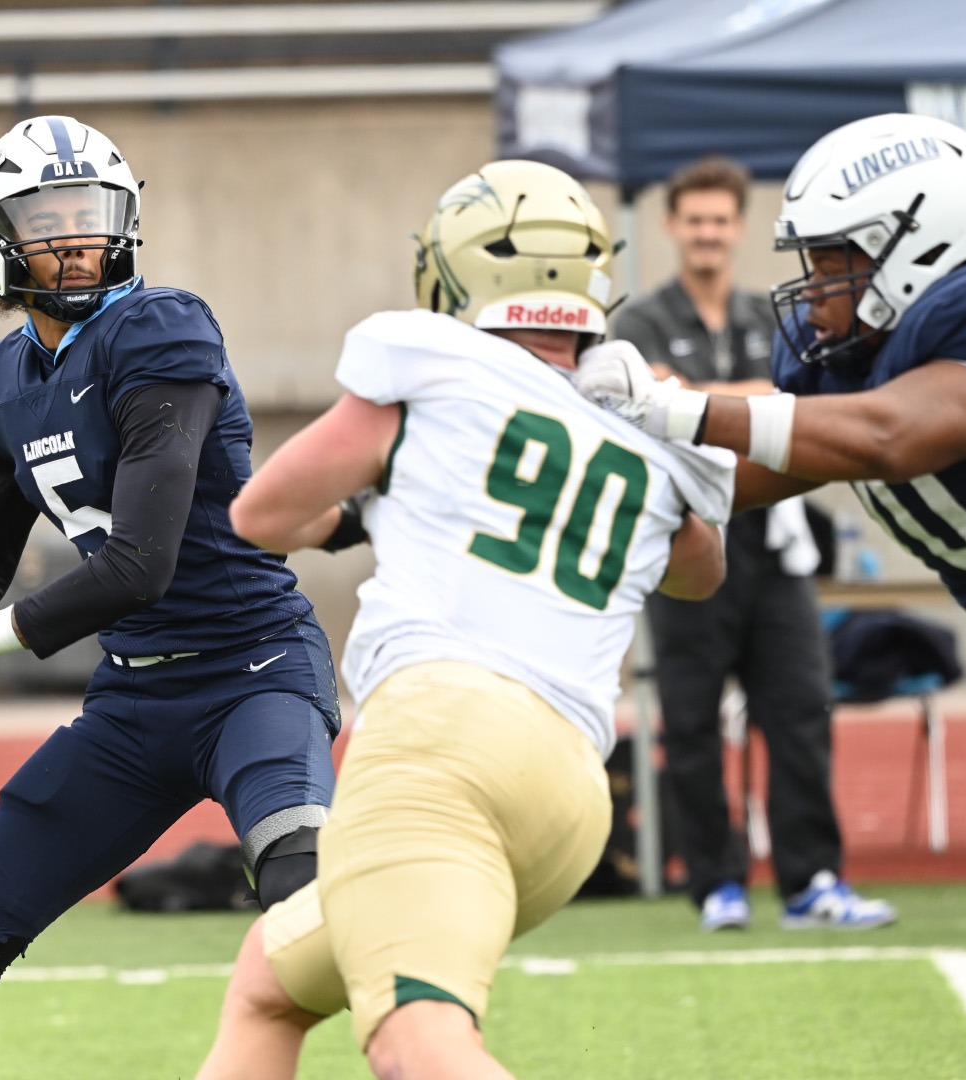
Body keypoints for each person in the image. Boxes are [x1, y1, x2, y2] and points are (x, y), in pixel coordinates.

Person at [0, 116, 345, 1080]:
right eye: (45, 219)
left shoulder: (160, 329)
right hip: (135, 704)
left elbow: (140, 563)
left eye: (89, 215)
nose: (72, 238)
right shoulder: (4, 379)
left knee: (303, 906)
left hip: (251, 671)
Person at [574, 112, 966, 1080]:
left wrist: (672, 402)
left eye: (836, 263)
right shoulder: (856, 358)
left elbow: (889, 436)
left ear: (922, 245)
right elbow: (756, 465)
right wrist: (607, 447)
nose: (815, 294)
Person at [195, 159, 733, 1080]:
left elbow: (263, 515)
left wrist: (373, 498)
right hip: (568, 794)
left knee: (418, 1042)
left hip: (441, 745)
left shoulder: (435, 367)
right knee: (270, 983)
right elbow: (696, 573)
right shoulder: (640, 407)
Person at [609, 155, 892, 933]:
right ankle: (717, 884)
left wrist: (695, 402)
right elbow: (661, 403)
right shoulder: (641, 321)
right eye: (694, 219)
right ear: (671, 227)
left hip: (775, 546)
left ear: (739, 228)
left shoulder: (770, 314)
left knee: (800, 710)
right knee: (693, 720)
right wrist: (760, 402)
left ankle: (811, 881)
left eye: (720, 220)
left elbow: (781, 399)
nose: (707, 233)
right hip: (685, 544)